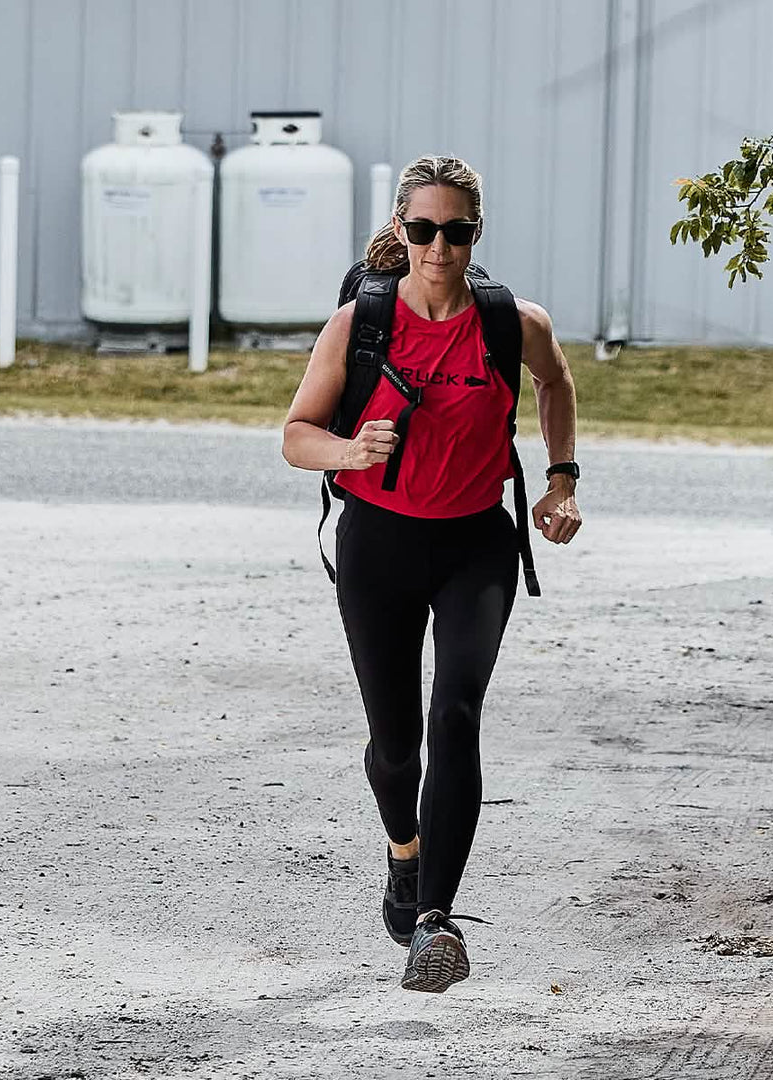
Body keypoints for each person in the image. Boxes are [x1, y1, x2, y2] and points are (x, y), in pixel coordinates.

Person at [282, 155, 581, 993]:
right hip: (376, 545)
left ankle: (434, 922)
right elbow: (295, 433)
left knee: (455, 713)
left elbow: (557, 383)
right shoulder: (359, 324)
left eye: (455, 231)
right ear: (402, 229)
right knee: (394, 743)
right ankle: (403, 851)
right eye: (422, 230)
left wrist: (562, 480)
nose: (438, 247)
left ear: (475, 233)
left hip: (473, 546)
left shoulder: (511, 323)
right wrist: (349, 449)